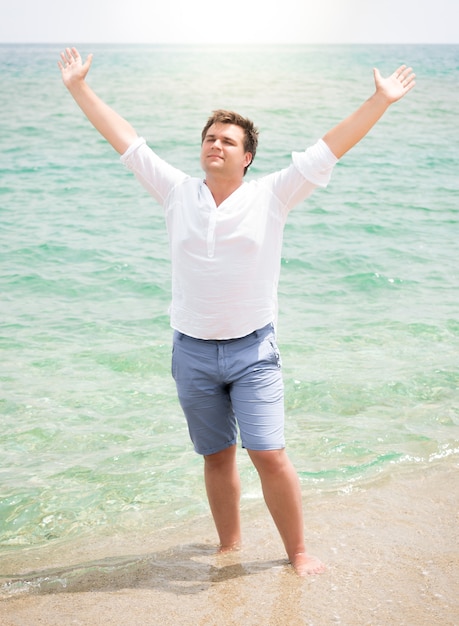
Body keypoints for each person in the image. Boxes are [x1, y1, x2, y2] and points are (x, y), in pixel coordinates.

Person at [58, 47, 415, 576]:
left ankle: (297, 551)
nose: (215, 145)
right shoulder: (176, 192)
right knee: (217, 455)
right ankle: (229, 546)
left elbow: (329, 147)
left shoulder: (273, 194)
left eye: (227, 140)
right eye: (209, 138)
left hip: (253, 351)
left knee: (268, 453)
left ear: (247, 156)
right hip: (192, 351)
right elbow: (126, 141)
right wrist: (79, 89)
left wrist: (380, 100)